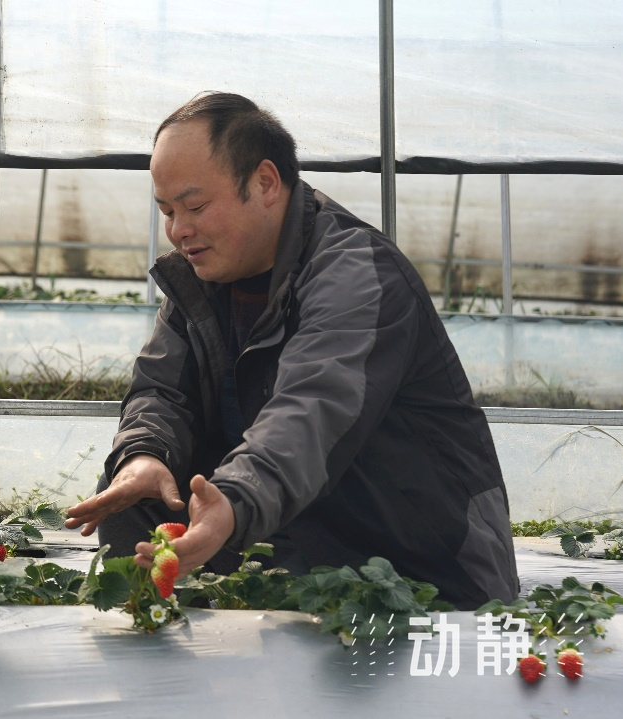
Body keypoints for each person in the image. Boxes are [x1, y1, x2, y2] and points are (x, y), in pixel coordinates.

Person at [65, 93, 519, 608]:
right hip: (292, 528)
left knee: (258, 493)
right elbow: (162, 391)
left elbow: (309, 414)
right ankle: (163, 622)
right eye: (167, 211)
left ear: (265, 183)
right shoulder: (203, 275)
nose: (178, 230)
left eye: (195, 207)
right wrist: (143, 454)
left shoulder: (356, 273)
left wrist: (234, 501)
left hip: (414, 556)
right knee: (138, 486)